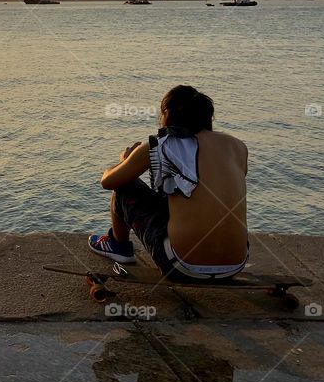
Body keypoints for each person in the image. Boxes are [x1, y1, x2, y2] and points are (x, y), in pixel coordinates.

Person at [88, 85, 249, 280]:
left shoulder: (159, 144)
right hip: (235, 264)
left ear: (167, 115)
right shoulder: (237, 146)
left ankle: (118, 246)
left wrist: (125, 161)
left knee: (125, 186)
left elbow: (108, 182)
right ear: (209, 117)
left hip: (181, 267)